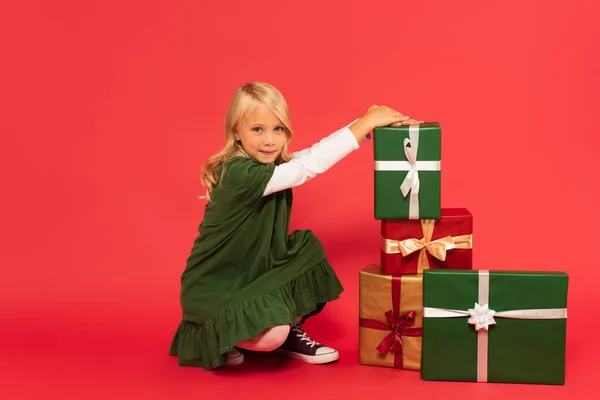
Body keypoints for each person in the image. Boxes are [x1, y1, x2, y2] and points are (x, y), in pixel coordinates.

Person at [169, 82, 422, 370]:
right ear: (236, 132)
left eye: (278, 129)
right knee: (272, 335)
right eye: (257, 129)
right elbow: (307, 168)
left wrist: (366, 125)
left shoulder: (269, 168)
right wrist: (365, 124)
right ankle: (224, 335)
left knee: (305, 248)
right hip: (213, 286)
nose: (269, 140)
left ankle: (277, 330)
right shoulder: (237, 172)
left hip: (250, 276)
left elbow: (310, 154)